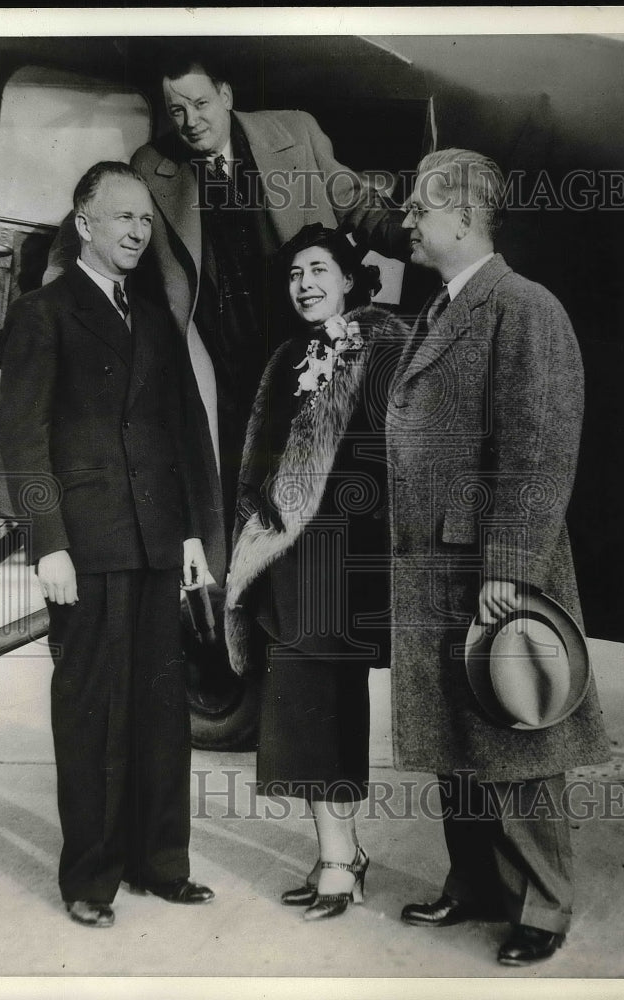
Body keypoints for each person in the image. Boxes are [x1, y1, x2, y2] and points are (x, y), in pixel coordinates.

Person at [387, 149, 611, 964]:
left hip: (489, 565)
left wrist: (508, 567)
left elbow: (539, 447)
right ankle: (476, 882)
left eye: (418, 207)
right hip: (438, 563)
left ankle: (543, 907)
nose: (406, 220)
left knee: (516, 730)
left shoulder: (523, 307)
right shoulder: (444, 308)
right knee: (460, 734)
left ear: (462, 216)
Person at [45, 50, 406, 555]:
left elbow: (358, 203)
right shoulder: (153, 166)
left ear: (227, 96)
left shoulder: (296, 133)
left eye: (200, 103)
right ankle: (242, 604)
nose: (191, 122)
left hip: (302, 339)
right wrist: (58, 300)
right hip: (220, 354)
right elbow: (82, 228)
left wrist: (416, 238)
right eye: (177, 111)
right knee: (239, 482)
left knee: (322, 478)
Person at [0, 161, 223, 928]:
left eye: (145, 220)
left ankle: (160, 864)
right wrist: (47, 542)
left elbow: (184, 432)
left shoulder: (156, 318)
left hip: (160, 542)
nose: (136, 231)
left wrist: (194, 533)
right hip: (85, 547)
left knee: (161, 714)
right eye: (121, 217)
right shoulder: (42, 313)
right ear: (84, 223)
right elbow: (21, 441)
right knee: (91, 712)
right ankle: (89, 879)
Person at [224, 223, 409, 921]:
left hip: (350, 558)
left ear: (348, 278)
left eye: (317, 269)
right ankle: (339, 853)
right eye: (294, 273)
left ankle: (340, 860)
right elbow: (259, 461)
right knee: (298, 710)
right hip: (290, 558)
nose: (303, 283)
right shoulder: (285, 359)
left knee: (328, 706)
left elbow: (405, 452)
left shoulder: (386, 343)